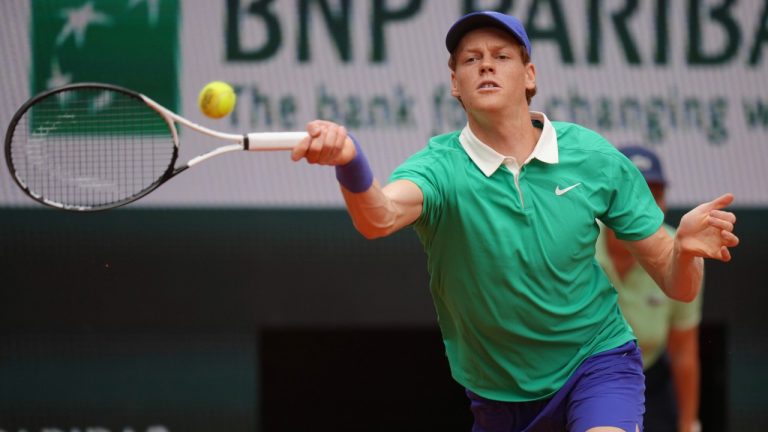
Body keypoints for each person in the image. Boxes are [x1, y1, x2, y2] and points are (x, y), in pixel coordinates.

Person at [290, 11, 738, 432]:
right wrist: (350, 162)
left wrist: (684, 251)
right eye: (471, 60)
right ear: (455, 84)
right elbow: (378, 218)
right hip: (498, 396)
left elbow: (677, 284)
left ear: (529, 77)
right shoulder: (440, 167)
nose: (486, 66)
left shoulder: (592, 157)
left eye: (501, 57)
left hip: (596, 362)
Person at [595, 146, 702, 432]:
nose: (648, 205)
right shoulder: (577, 239)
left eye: (656, 195)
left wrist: (688, 423)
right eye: (638, 192)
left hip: (649, 378)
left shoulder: (682, 251)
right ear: (610, 196)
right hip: (578, 378)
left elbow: (683, 348)